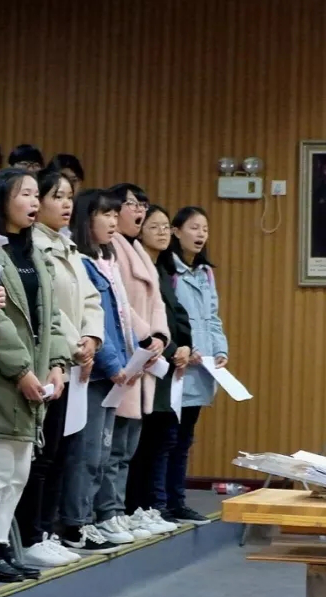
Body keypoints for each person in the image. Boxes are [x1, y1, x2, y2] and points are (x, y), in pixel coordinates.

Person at [0, 167, 68, 582]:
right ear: (2, 200)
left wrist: (57, 365)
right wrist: (22, 370)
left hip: (36, 375)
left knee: (18, 470)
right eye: (24, 194)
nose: (33, 202)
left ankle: (1, 544)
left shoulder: (36, 253)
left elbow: (52, 317)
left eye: (35, 195)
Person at [15, 168, 103, 568]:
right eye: (56, 196)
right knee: (43, 454)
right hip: (49, 360)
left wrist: (92, 338)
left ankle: (46, 531)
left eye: (69, 197)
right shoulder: (34, 245)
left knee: (62, 452)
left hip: (72, 362)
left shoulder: (69, 247)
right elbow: (48, 309)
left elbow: (91, 300)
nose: (65, 204)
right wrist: (74, 344)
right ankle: (31, 534)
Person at [59, 188, 133, 555]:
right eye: (106, 214)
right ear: (87, 218)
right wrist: (115, 364)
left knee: (102, 454)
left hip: (109, 374)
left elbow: (118, 321)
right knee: (86, 454)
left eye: (116, 215)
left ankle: (88, 518)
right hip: (92, 372)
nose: (113, 221)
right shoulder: (82, 262)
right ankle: (75, 523)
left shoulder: (105, 262)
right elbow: (95, 322)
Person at [99, 183, 168, 542]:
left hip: (143, 353)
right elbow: (120, 304)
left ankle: (120, 510)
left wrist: (160, 337)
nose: (138, 211)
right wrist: (145, 336)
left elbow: (157, 303)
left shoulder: (137, 249)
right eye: (130, 204)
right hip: (122, 352)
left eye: (142, 204)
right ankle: (107, 513)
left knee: (128, 446)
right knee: (113, 447)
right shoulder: (112, 249)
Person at [127, 204, 193, 530]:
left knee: (164, 438)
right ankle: (139, 507)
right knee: (144, 441)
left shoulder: (163, 270)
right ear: (139, 231)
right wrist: (168, 348)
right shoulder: (136, 268)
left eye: (166, 226)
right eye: (154, 226)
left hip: (168, 364)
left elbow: (177, 316)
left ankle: (155, 505)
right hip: (148, 361)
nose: (163, 232)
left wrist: (184, 347)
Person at [162, 205, 228, 525]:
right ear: (176, 231)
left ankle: (177, 501)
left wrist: (219, 350)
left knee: (185, 438)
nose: (201, 234)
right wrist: (183, 349)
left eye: (205, 229)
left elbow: (212, 318)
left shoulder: (205, 272)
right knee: (167, 438)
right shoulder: (169, 270)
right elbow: (167, 318)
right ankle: (160, 503)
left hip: (202, 368)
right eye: (193, 227)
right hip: (176, 365)